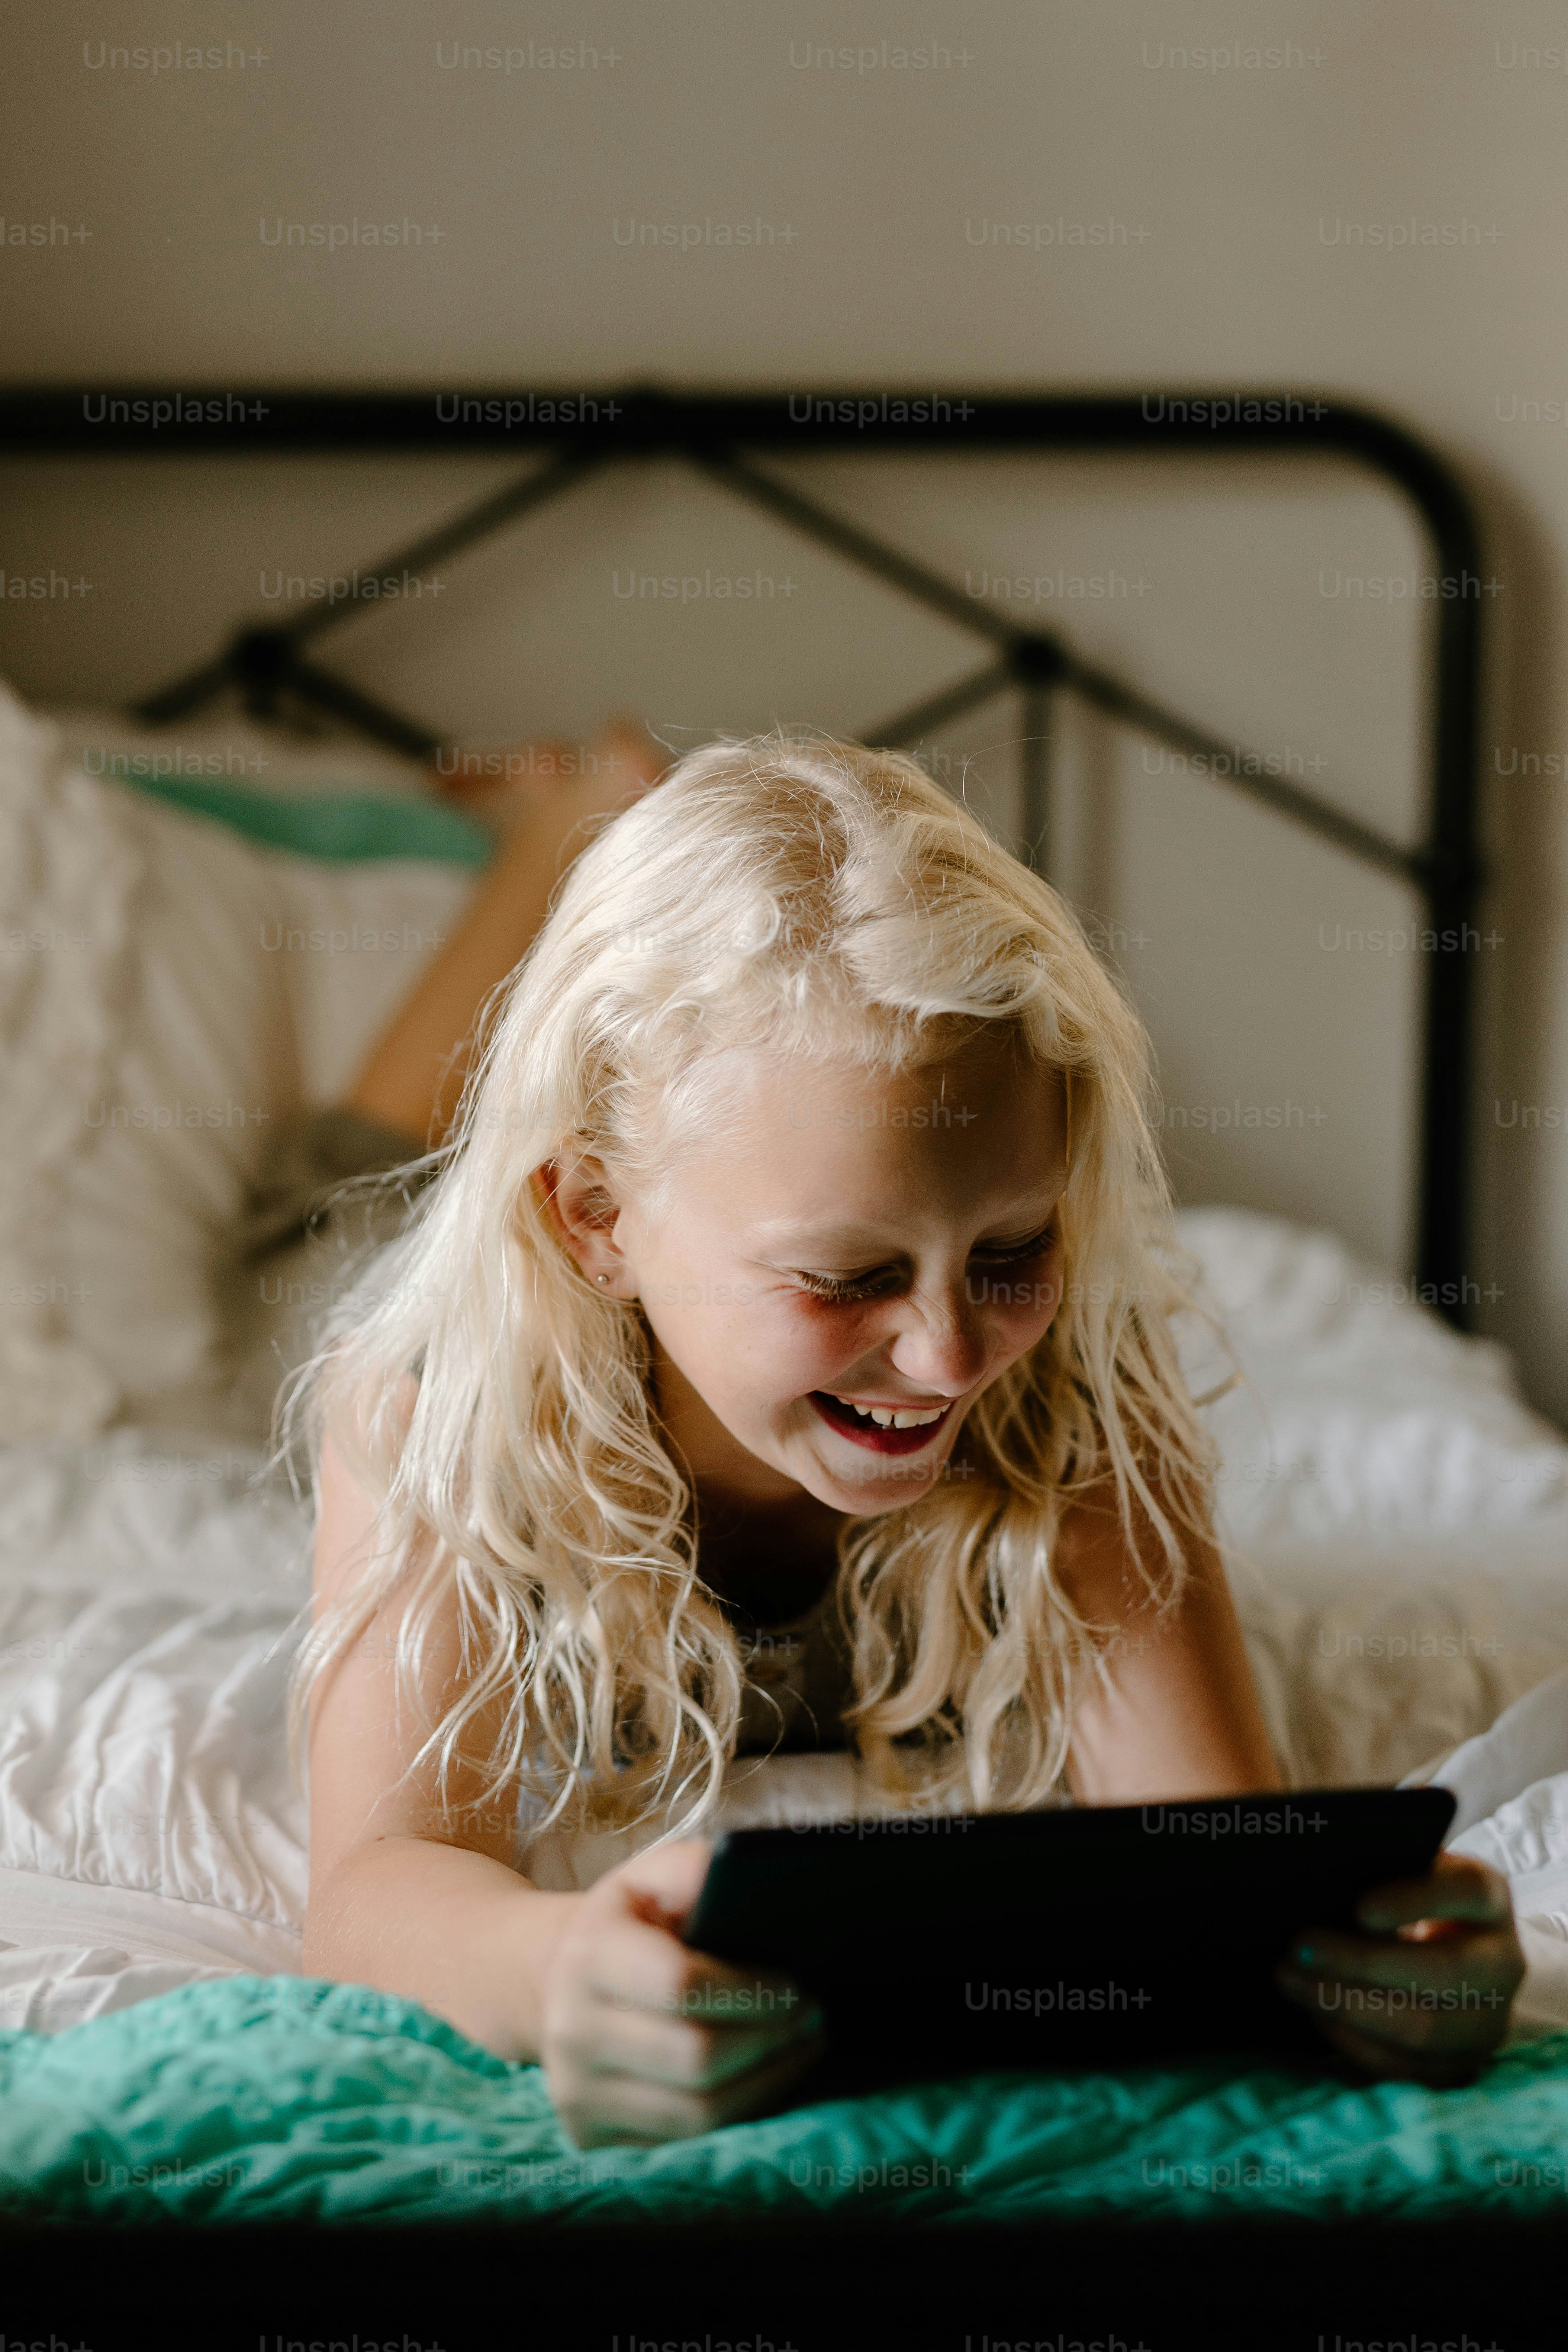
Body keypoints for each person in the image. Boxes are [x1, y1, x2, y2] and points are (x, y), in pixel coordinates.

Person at [288, 733, 1524, 2148]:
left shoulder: (1068, 1394)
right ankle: (575, 799)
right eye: (845, 1277)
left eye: (1010, 1249)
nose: (947, 1359)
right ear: (595, 1217)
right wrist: (556, 1964)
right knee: (331, 1181)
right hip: (348, 1245)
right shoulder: (431, 1405)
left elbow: (1210, 1854)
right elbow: (377, 1887)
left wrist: (1370, 1961)